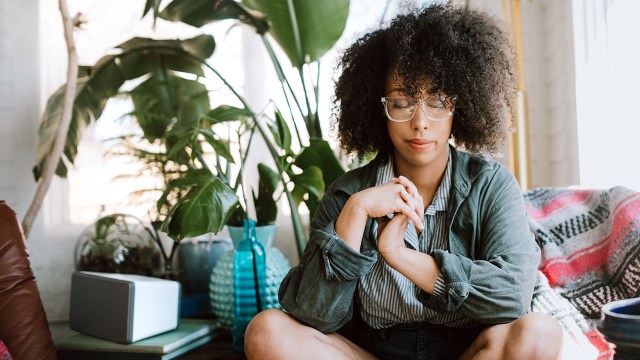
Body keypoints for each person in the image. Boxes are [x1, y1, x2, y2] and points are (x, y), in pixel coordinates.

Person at [245, 3, 563, 360]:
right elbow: (314, 317)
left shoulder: (491, 185)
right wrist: (355, 213)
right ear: (377, 108)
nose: (420, 122)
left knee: (539, 332)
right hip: (372, 353)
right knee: (267, 330)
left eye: (438, 101)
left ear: (462, 106)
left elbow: (511, 297)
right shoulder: (347, 194)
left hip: (469, 354)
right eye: (401, 103)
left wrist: (399, 255)